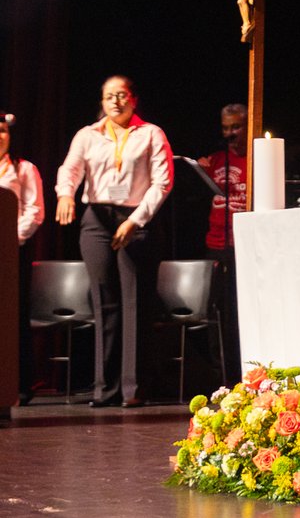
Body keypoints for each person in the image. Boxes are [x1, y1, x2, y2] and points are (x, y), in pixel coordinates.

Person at [55, 75, 174, 408]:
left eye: (122, 95)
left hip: (138, 217)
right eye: (109, 96)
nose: (115, 102)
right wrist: (66, 194)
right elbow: (70, 170)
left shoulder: (151, 133)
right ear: (102, 101)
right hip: (98, 219)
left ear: (133, 99)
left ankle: (133, 388)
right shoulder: (88, 135)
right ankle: (104, 388)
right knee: (103, 301)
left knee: (135, 302)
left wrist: (136, 221)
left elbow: (162, 183)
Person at [197, 102, 248, 379]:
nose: (230, 133)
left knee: (238, 311)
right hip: (215, 244)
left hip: (243, 247)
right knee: (214, 311)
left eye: (236, 127)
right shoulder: (216, 160)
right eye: (226, 128)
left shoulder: (256, 159)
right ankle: (220, 374)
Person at [1, 114, 45, 403]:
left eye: (2, 131)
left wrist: (9, 239)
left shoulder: (24, 168)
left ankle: (17, 385)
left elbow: (34, 210)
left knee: (11, 319)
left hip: (9, 253)